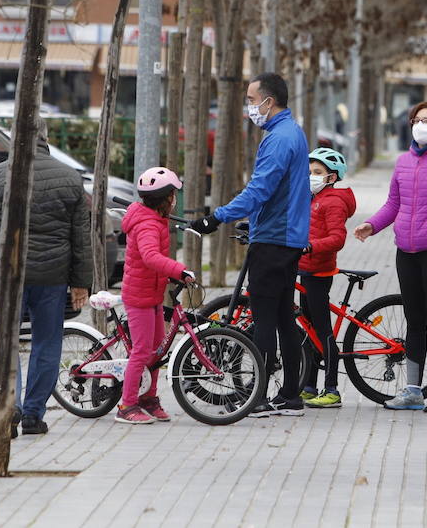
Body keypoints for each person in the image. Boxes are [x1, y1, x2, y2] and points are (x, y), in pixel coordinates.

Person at [0, 116, 91, 438]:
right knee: (47, 343)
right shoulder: (69, 178)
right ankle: (34, 413)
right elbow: (82, 237)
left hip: (6, 278)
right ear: (46, 138)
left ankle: (9, 407)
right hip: (52, 278)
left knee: (0, 340)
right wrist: (81, 282)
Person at [193, 72, 310, 417]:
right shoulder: (291, 132)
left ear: (268, 102)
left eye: (250, 99)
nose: (249, 106)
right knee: (284, 318)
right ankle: (290, 396)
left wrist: (217, 217)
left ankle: (256, 398)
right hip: (286, 238)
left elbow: (260, 189)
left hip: (274, 239)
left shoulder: (279, 138)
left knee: (264, 319)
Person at [353, 101, 427, 414]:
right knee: (414, 321)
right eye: (417, 119)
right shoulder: (403, 162)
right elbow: (393, 204)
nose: (421, 125)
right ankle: (412, 391)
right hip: (406, 252)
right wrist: (371, 225)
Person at [115, 167, 196, 425]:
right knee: (141, 351)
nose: (175, 200)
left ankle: (149, 398)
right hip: (139, 295)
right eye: (173, 195)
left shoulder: (155, 219)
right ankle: (127, 404)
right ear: (166, 199)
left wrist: (170, 274)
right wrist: (179, 270)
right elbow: (150, 256)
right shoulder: (148, 224)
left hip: (153, 293)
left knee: (157, 350)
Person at [298, 147, 356, 409]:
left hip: (319, 272)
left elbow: (338, 238)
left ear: (331, 177)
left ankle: (331, 390)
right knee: (308, 329)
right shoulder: (313, 197)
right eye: (309, 171)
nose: (311, 176)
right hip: (305, 269)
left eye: (317, 172)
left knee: (322, 332)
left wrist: (311, 246)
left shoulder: (332, 201)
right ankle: (309, 386)